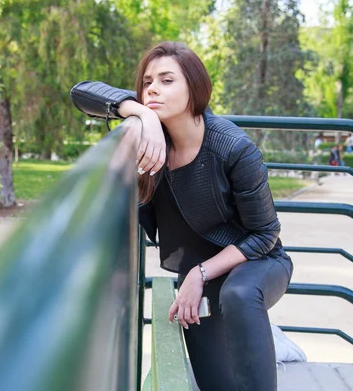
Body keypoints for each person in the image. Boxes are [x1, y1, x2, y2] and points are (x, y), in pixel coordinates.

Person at [70, 42, 296, 391]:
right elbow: (81, 92)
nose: (153, 89)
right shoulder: (152, 132)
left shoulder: (234, 148)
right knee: (217, 384)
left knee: (238, 294)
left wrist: (199, 273)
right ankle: (254, 338)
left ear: (194, 87)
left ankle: (256, 337)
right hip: (199, 276)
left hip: (255, 262)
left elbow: (265, 235)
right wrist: (142, 114)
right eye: (147, 82)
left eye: (167, 79)